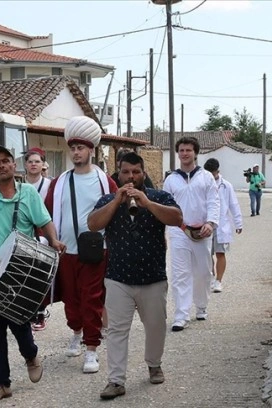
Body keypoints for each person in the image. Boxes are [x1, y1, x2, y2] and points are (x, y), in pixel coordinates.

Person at [0, 145, 65, 404]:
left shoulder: (28, 194)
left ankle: (30, 354)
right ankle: (1, 383)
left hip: (22, 266)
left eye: (6, 161)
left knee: (19, 321)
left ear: (13, 165)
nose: (2, 165)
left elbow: (44, 222)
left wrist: (53, 240)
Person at [88, 152, 182, 400]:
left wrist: (147, 203)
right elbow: (93, 224)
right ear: (118, 174)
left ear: (144, 173)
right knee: (117, 330)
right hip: (118, 277)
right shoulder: (109, 199)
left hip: (153, 276)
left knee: (155, 326)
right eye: (126, 172)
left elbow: (177, 218)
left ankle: (154, 364)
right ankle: (116, 380)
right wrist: (115, 202)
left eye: (136, 172)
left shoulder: (159, 196)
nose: (131, 177)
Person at [44, 116, 118, 374]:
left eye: (81, 148)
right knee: (71, 301)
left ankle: (91, 349)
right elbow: (47, 213)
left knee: (92, 299)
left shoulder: (104, 182)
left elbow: (115, 211)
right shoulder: (59, 181)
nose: (76, 152)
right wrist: (48, 241)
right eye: (73, 148)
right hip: (66, 251)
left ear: (91, 150)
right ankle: (76, 330)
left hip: (95, 251)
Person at [163, 137, 220, 331]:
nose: (185, 153)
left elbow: (214, 201)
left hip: (202, 231)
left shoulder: (206, 177)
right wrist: (166, 229)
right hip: (179, 231)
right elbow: (166, 207)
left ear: (195, 153)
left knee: (203, 273)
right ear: (177, 153)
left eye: (188, 150)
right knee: (180, 274)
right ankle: (181, 314)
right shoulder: (171, 179)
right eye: (181, 150)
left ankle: (201, 306)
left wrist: (211, 223)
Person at [23, 147, 53, 331]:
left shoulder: (50, 185)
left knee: (41, 274)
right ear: (25, 165)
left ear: (43, 165)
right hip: (25, 234)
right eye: (30, 161)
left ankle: (40, 311)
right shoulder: (19, 185)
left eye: (37, 161)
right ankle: (25, 311)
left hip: (43, 234)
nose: (34, 164)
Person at [203, 158, 243, 293]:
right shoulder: (201, 184)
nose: (210, 177)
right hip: (205, 223)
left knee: (220, 253)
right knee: (206, 254)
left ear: (217, 172)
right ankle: (211, 277)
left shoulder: (226, 186)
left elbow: (233, 204)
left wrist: (238, 223)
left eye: (212, 174)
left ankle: (219, 281)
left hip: (221, 225)